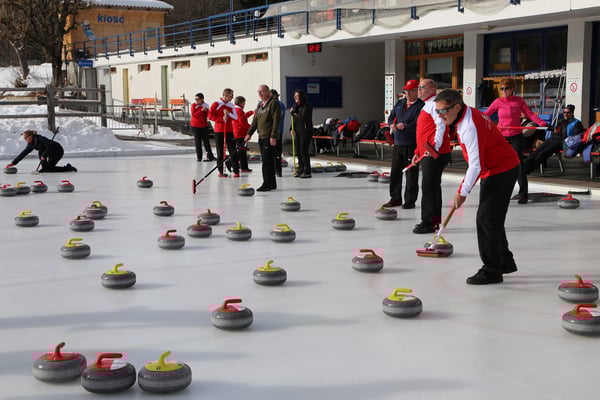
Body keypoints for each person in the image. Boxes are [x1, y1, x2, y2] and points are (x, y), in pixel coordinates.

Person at [435, 89, 520, 285]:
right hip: (497, 168)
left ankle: (492, 270)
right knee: (492, 219)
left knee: (486, 219)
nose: (440, 115)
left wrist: (462, 192)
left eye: (443, 111)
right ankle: (504, 262)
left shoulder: (469, 126)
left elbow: (475, 165)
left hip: (501, 169)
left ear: (457, 107)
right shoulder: (464, 114)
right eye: (437, 111)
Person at [483, 77, 547, 204]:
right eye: (502, 88)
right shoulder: (498, 101)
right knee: (499, 164)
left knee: (518, 164)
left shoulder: (519, 101)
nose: (504, 91)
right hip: (502, 136)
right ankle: (497, 192)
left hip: (516, 136)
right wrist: (474, 121)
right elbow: (486, 114)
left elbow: (530, 114)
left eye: (506, 88)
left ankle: (523, 194)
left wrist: (542, 123)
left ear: (512, 89)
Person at [412, 79, 453, 234]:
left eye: (422, 87)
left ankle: (428, 222)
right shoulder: (427, 105)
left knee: (429, 186)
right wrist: (417, 152)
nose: (419, 90)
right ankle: (434, 221)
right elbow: (424, 131)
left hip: (435, 153)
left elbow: (441, 126)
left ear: (432, 89)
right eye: (419, 87)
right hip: (427, 152)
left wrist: (434, 147)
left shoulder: (435, 104)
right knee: (432, 186)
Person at [382, 79, 424, 208]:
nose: (408, 94)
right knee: (395, 172)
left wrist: (405, 126)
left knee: (411, 174)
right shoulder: (400, 103)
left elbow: (418, 123)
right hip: (398, 143)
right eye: (406, 91)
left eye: (411, 91)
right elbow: (391, 117)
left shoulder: (421, 106)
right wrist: (391, 125)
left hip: (411, 144)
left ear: (417, 91)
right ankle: (395, 198)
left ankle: (410, 201)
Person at [524, 104, 584, 175]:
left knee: (544, 152)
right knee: (539, 150)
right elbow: (556, 131)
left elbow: (576, 137)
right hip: (554, 139)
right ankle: (526, 164)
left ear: (572, 113)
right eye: (564, 112)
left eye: (568, 112)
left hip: (563, 142)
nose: (565, 114)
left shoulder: (576, 123)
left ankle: (529, 168)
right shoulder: (561, 121)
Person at [245, 84, 281, 192]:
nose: (260, 93)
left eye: (262, 91)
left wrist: (273, 136)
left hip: (269, 136)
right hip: (261, 136)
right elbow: (255, 120)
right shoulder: (260, 104)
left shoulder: (273, 103)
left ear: (268, 92)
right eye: (259, 92)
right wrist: (249, 133)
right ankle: (272, 183)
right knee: (267, 160)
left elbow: (276, 120)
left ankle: (267, 183)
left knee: (266, 161)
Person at [7, 130, 77, 172]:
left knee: (50, 169)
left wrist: (44, 155)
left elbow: (50, 146)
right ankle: (44, 168)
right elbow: (24, 153)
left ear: (30, 136)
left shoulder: (41, 139)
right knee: (46, 168)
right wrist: (13, 163)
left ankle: (68, 168)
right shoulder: (31, 144)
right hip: (48, 152)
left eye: (25, 138)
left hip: (57, 151)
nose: (25, 139)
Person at [208, 88, 239, 177]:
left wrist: (228, 114)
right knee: (220, 152)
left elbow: (236, 117)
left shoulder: (231, 105)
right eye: (231, 96)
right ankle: (221, 171)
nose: (232, 97)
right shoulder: (216, 104)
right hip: (219, 131)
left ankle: (236, 170)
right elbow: (210, 116)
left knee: (233, 150)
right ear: (225, 95)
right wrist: (221, 119)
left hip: (229, 130)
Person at [290, 89, 314, 179]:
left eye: (297, 96)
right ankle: (301, 168)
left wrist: (294, 113)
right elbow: (293, 119)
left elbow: (302, 118)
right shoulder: (295, 106)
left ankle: (307, 170)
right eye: (294, 96)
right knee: (298, 151)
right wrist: (291, 128)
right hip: (298, 130)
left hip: (305, 130)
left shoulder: (306, 106)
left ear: (301, 96)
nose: (295, 97)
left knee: (303, 150)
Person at [190, 92, 216, 162]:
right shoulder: (194, 105)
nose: (196, 100)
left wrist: (206, 111)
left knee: (206, 141)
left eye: (198, 99)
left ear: (202, 99)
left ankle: (210, 156)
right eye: (195, 99)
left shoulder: (206, 105)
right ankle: (199, 157)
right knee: (198, 141)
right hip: (195, 125)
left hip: (204, 125)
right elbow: (194, 115)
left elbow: (208, 115)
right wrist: (201, 110)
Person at [232, 95, 253, 173]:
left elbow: (243, 117)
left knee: (243, 151)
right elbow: (243, 122)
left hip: (239, 132)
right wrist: (252, 128)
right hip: (240, 133)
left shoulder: (237, 110)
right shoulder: (238, 111)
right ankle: (232, 162)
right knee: (241, 150)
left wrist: (251, 112)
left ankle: (244, 167)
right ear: (240, 103)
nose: (244, 105)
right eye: (243, 103)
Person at [271, 89, 286, 177]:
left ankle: (278, 170)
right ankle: (273, 169)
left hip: (277, 131)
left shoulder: (280, 105)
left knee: (277, 152)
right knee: (271, 152)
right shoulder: (270, 104)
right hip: (270, 131)